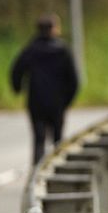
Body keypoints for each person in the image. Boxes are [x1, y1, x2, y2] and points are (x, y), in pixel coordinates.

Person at [11, 14, 79, 165]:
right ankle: (58, 173)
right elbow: (74, 80)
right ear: (54, 29)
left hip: (36, 102)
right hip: (57, 103)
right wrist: (66, 101)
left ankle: (36, 173)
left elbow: (16, 70)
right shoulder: (63, 51)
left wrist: (17, 88)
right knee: (57, 141)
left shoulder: (31, 49)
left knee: (39, 139)